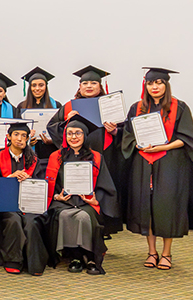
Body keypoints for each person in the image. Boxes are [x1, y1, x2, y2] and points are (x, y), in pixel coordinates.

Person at [121, 68, 193, 270]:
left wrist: (164, 146)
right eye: (150, 83)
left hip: (170, 162)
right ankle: (151, 252)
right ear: (145, 85)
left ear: (166, 85)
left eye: (159, 82)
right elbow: (128, 136)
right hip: (144, 162)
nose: (154, 87)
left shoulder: (179, 107)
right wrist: (138, 145)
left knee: (166, 207)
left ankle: (166, 253)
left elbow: (187, 138)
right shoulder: (136, 108)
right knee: (146, 206)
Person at [45, 65, 126, 237]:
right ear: (79, 86)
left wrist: (115, 131)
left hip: (106, 154)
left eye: (93, 83)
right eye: (85, 83)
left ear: (100, 86)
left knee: (104, 188)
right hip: (77, 156)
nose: (89, 86)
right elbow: (52, 127)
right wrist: (67, 121)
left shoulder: (110, 105)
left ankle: (102, 230)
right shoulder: (69, 106)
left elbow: (126, 132)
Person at [44, 115, 118, 275]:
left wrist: (94, 199)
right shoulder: (56, 156)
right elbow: (50, 185)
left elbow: (105, 184)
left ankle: (90, 256)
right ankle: (74, 256)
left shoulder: (96, 157)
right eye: (69, 133)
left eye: (78, 133)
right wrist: (57, 196)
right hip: (64, 201)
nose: (73, 137)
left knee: (83, 216)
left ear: (85, 135)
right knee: (64, 215)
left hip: (87, 202)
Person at [0, 121, 49, 275]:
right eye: (16, 134)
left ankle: (33, 263)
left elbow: (41, 184)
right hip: (7, 204)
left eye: (24, 136)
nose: (20, 139)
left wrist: (29, 179)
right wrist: (10, 178)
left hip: (29, 204)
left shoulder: (33, 160)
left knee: (30, 222)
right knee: (13, 220)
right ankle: (13, 260)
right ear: (8, 136)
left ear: (28, 138)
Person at [18, 67, 61, 177]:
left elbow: (61, 131)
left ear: (46, 87)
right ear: (30, 87)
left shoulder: (56, 106)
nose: (37, 88)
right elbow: (17, 130)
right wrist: (27, 140)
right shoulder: (22, 107)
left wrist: (52, 140)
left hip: (49, 153)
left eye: (41, 85)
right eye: (34, 85)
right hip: (28, 154)